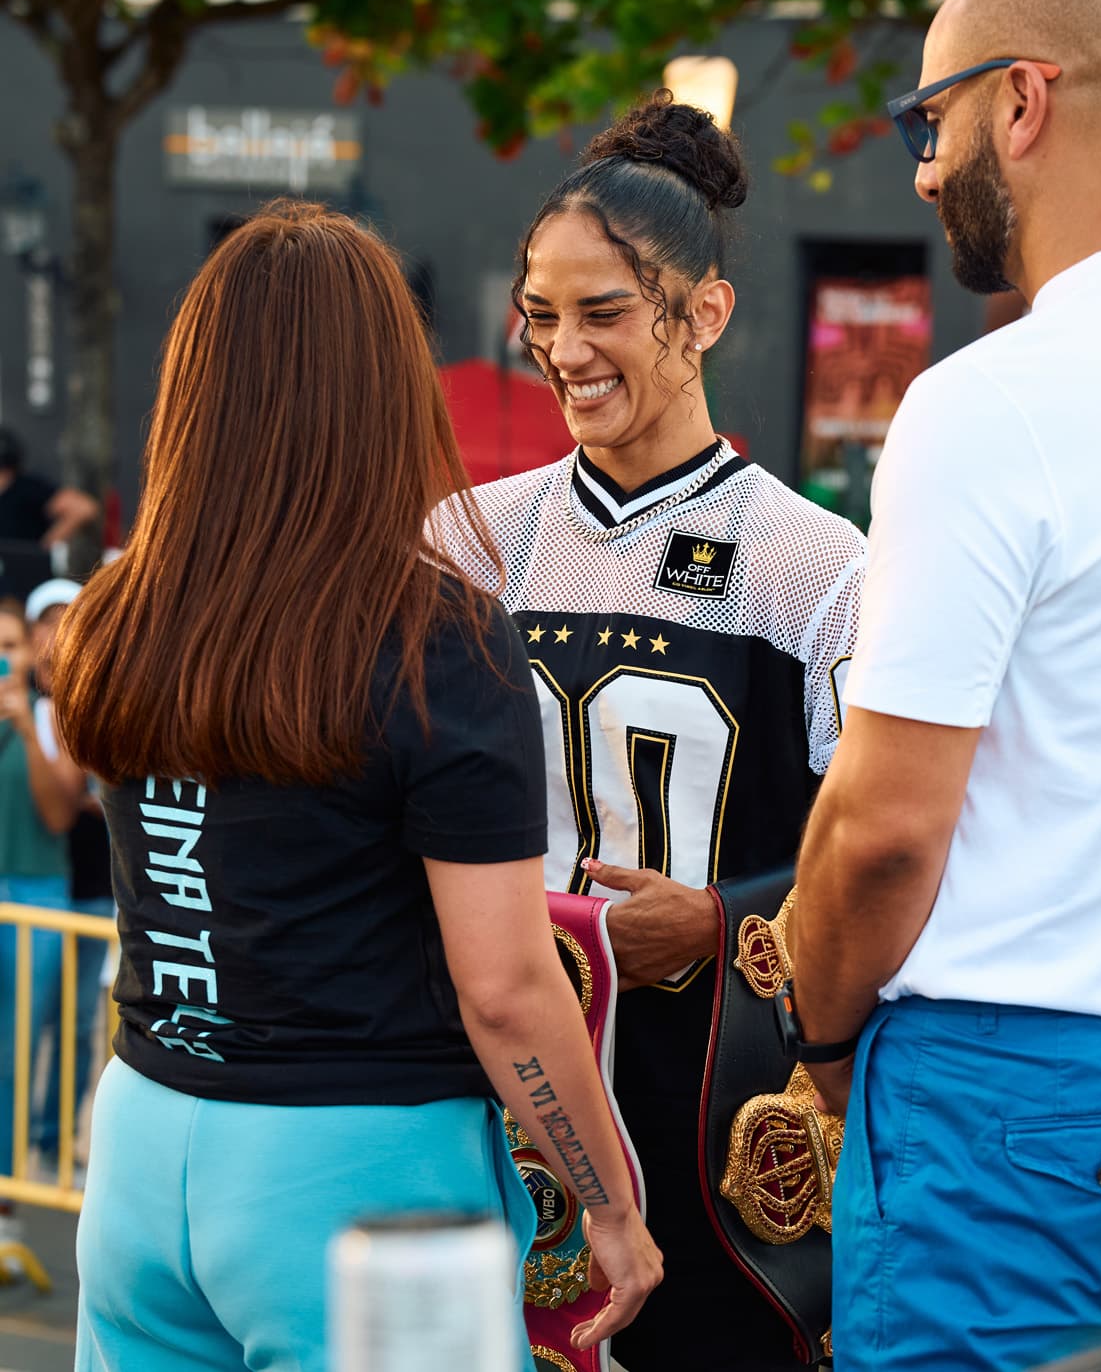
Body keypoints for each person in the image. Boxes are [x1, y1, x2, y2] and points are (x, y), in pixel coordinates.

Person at [52, 199, 661, 1372]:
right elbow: (506, 990)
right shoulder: (440, 640)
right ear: (387, 393)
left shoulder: (120, 616)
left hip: (141, 1143)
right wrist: (609, 1203)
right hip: (361, 1179)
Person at [790, 0, 1101, 1372]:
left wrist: (821, 1049)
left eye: (930, 115)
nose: (919, 162)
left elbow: (887, 832)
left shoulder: (990, 404)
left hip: (1011, 1093)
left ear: (1021, 103)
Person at [433, 95, 865, 1370]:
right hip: (504, 1092)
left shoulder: (810, 561)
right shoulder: (471, 537)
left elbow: (881, 843)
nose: (563, 347)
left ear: (706, 314)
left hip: (714, 1113)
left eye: (605, 310)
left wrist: (727, 920)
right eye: (541, 313)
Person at [0, 593, 84, 1243]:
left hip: (37, 898)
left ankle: (6, 1210)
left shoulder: (54, 716)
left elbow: (60, 813)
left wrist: (27, 729)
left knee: (15, 1053)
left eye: (8, 647)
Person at [23, 578, 112, 1177]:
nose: (58, 634)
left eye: (69, 620)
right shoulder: (21, 708)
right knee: (22, 1026)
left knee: (79, 1025)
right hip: (35, 890)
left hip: (95, 893)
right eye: (48, 621)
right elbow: (65, 800)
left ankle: (54, 1147)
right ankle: (17, 1146)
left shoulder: (103, 703)